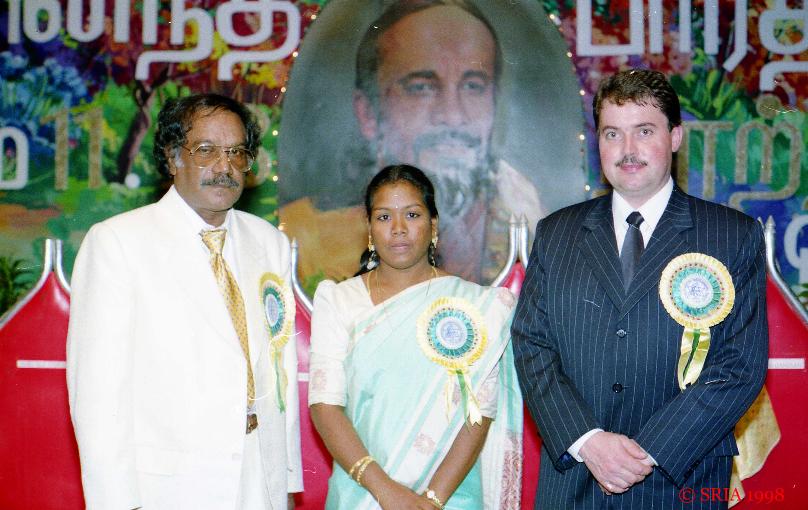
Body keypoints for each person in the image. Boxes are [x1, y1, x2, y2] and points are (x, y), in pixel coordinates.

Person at [512, 69, 769, 509]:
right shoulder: (556, 234)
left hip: (680, 480)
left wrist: (646, 452)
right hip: (576, 481)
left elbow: (739, 365)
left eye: (644, 131)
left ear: (675, 137)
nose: (627, 149)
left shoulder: (731, 235)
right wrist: (589, 441)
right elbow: (532, 345)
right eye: (612, 133)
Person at [66, 94, 303, 509]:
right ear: (173, 157)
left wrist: (284, 477)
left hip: (258, 478)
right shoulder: (118, 243)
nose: (224, 167)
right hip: (166, 488)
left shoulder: (270, 243)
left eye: (236, 153)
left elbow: (280, 369)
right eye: (206, 150)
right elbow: (97, 395)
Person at [279, 0, 586, 285]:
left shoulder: (536, 230)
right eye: (421, 88)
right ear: (368, 113)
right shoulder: (305, 242)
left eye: (473, 86)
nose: (453, 115)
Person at [307, 164, 523, 509]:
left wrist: (432, 500)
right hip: (363, 494)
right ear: (369, 228)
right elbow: (325, 405)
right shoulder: (339, 300)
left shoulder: (474, 306)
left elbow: (478, 412)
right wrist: (386, 492)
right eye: (384, 217)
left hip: (450, 497)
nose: (398, 229)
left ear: (433, 225)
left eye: (412, 214)